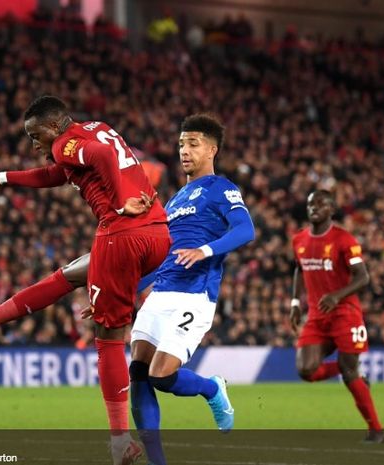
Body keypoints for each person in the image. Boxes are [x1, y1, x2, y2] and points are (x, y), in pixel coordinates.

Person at [0, 95, 170, 465]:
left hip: (121, 233)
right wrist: (4, 178)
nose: (35, 144)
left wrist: (119, 204)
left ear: (53, 126)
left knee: (108, 340)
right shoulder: (96, 129)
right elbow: (60, 172)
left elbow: (97, 161)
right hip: (157, 233)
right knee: (72, 274)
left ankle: (120, 442)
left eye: (34, 135)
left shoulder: (64, 143)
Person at [126, 114, 254, 465]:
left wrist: (205, 250)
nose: (185, 150)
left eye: (193, 143)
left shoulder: (221, 188)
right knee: (137, 371)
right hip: (161, 292)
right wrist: (123, 293)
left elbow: (246, 230)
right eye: (182, 143)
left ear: (212, 149)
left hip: (195, 294)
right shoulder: (175, 199)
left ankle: (213, 388)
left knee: (161, 375)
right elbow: (160, 257)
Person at [290, 190, 384, 443]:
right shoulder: (298, 239)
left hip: (345, 313)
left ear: (332, 209)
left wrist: (337, 295)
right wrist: (295, 303)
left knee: (349, 374)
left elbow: (363, 276)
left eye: (321, 204)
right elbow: (299, 269)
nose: (314, 207)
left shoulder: (344, 240)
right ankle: (352, 371)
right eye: (311, 203)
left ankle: (376, 429)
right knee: (305, 370)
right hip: (317, 316)